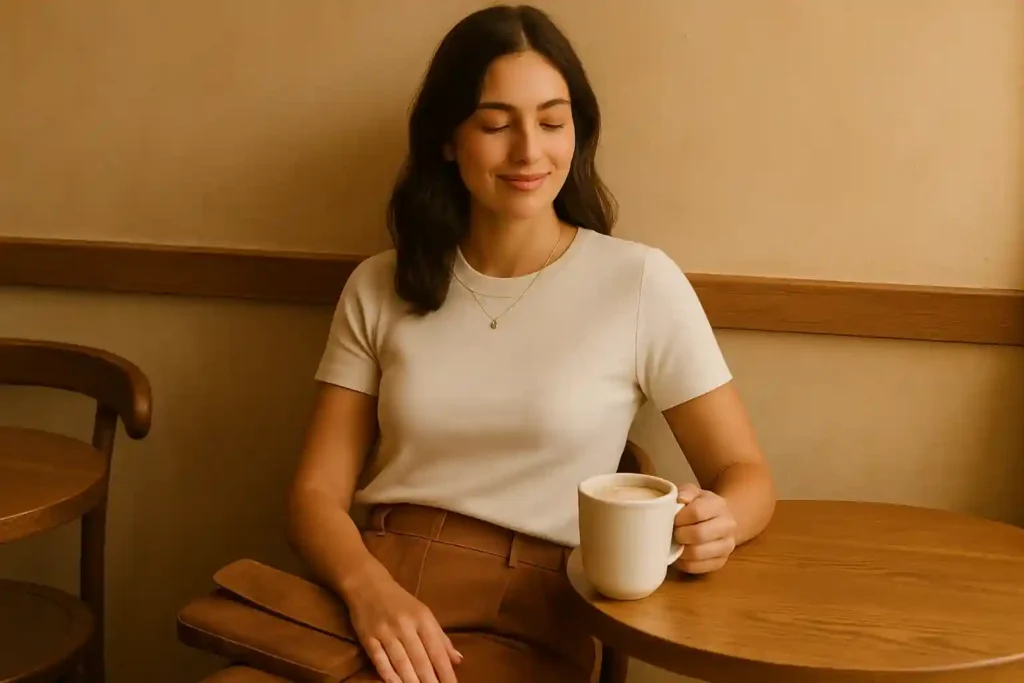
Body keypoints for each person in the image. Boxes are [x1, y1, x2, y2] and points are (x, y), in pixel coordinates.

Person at [286, 5, 775, 683]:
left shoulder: (638, 281)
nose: (528, 152)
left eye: (551, 122)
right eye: (494, 124)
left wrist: (721, 524)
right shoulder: (380, 283)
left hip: (534, 612)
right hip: (368, 585)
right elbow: (315, 493)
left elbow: (746, 473)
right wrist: (372, 593)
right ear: (447, 139)